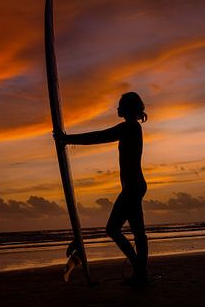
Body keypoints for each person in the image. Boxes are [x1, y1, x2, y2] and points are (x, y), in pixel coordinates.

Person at [54, 92, 148, 285]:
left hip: (133, 188)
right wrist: (68, 139)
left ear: (128, 108)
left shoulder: (129, 128)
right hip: (135, 186)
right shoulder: (132, 128)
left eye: (120, 104)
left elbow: (100, 136)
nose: (117, 108)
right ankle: (141, 273)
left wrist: (68, 139)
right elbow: (101, 136)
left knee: (113, 229)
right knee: (137, 232)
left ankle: (140, 271)